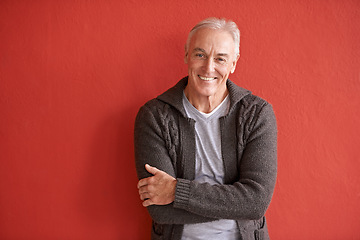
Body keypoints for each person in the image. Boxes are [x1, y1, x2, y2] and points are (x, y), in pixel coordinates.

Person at [134, 17, 277, 240]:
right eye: (200, 54)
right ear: (186, 55)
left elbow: (256, 203)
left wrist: (175, 191)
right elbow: (159, 209)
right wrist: (235, 204)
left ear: (234, 63)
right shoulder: (154, 116)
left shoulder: (257, 114)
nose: (209, 67)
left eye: (220, 58)